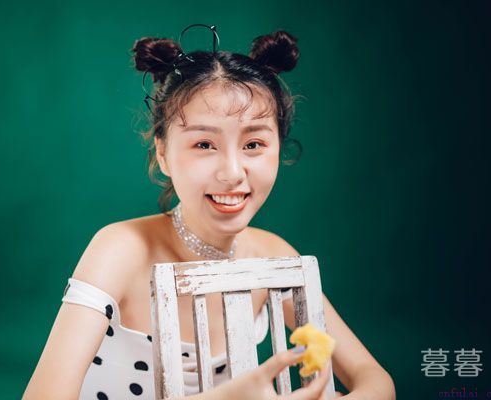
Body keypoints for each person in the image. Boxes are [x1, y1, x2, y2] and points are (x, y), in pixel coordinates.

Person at [23, 25, 396, 400]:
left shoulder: (273, 256)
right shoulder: (119, 250)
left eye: (254, 144)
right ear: (163, 154)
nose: (232, 173)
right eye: (204, 144)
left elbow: (376, 382)